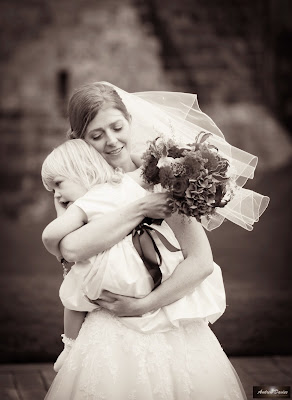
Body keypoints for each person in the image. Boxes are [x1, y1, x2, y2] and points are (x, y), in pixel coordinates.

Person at [41, 82, 269, 399]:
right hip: (107, 328)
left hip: (165, 318)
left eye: (117, 127)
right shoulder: (82, 186)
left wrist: (143, 305)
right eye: (96, 135)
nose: (111, 141)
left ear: (129, 120)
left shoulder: (163, 177)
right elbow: (69, 248)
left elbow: (200, 262)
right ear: (80, 139)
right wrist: (141, 208)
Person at [41, 139, 226, 372]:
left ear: (81, 171)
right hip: (143, 272)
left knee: (73, 293)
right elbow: (70, 248)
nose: (57, 194)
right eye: (53, 191)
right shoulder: (124, 186)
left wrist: (62, 217)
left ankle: (70, 346)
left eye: (58, 185)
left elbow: (51, 236)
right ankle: (72, 345)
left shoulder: (91, 201)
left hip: (115, 275)